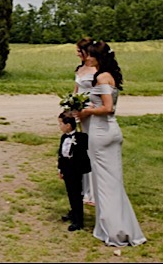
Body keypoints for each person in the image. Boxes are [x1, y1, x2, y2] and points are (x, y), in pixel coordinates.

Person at [76, 40, 146, 247]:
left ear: (100, 58)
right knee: (113, 180)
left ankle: (114, 229)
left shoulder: (103, 77)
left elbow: (108, 108)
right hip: (110, 131)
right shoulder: (109, 76)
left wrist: (86, 111)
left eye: (91, 56)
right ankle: (120, 225)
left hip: (101, 131)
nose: (87, 58)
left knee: (104, 182)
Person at [57, 113, 92, 232]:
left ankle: (79, 220)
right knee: (70, 193)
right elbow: (61, 155)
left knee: (76, 194)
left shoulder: (81, 137)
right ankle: (73, 212)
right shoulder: (63, 137)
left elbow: (83, 155)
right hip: (67, 169)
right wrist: (60, 169)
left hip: (76, 170)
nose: (60, 126)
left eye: (61, 124)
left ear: (68, 125)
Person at [72, 36, 95, 205]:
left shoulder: (96, 70)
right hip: (79, 110)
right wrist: (71, 104)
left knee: (91, 148)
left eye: (79, 51)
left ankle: (93, 191)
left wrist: (87, 109)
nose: (77, 54)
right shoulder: (80, 69)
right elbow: (76, 90)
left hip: (91, 112)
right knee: (81, 148)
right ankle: (84, 188)